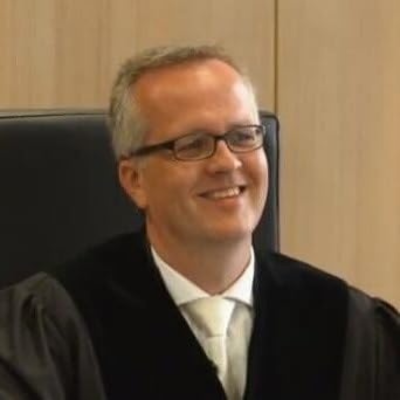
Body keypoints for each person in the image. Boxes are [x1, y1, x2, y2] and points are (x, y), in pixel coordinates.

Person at [0, 45, 399, 400]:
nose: (227, 162)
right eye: (192, 145)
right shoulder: (52, 329)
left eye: (243, 137)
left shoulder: (349, 326)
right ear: (134, 180)